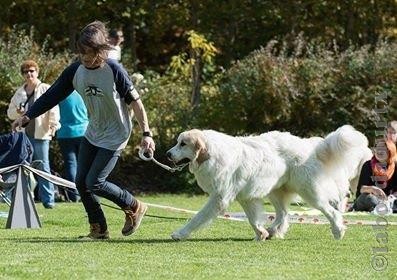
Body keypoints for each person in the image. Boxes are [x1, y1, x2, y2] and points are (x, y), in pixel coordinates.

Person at [11, 21, 155, 239]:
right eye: (81, 52)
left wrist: (146, 133)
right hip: (94, 131)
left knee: (95, 181)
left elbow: (136, 102)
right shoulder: (76, 70)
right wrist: (28, 116)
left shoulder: (114, 69)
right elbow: (52, 95)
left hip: (116, 134)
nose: (84, 57)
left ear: (100, 50)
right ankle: (99, 228)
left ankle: (133, 206)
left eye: (89, 53)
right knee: (81, 182)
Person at [7, 60, 60, 209]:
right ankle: (22, 199)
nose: (29, 74)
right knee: (22, 166)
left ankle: (48, 201)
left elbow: (53, 107)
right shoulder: (19, 92)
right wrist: (16, 112)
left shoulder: (45, 88)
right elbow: (10, 113)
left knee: (43, 167)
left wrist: (54, 124)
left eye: (31, 70)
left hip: (41, 134)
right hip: (23, 135)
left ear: (37, 72)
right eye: (25, 71)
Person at [57, 90, 89, 202]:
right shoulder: (84, 92)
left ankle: (74, 196)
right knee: (85, 164)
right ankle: (87, 193)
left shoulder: (61, 93)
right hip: (84, 131)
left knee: (71, 165)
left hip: (65, 133)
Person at [353, 139, 397, 212]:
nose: (379, 151)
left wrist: (391, 197)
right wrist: (373, 189)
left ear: (390, 151)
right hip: (372, 199)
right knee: (368, 198)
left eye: (383, 149)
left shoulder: (396, 166)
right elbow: (361, 189)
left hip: (390, 200)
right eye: (378, 148)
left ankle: (385, 207)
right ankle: (383, 208)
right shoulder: (368, 165)